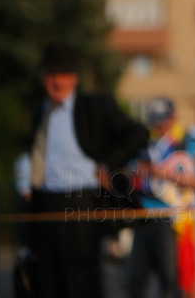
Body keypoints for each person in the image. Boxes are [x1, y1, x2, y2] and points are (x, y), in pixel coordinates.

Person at [27, 41, 149, 298]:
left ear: (75, 78)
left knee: (81, 279)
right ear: (42, 78)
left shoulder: (95, 106)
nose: (57, 82)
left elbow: (138, 134)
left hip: (83, 201)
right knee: (48, 280)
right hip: (47, 203)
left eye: (64, 75)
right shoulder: (41, 112)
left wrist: (109, 165)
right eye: (51, 75)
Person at [127, 97, 195, 298]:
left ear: (174, 117)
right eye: (156, 121)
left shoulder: (186, 142)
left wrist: (162, 173)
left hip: (171, 221)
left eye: (164, 120)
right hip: (143, 216)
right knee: (135, 281)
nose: (159, 126)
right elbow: (131, 178)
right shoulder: (146, 144)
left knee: (170, 281)